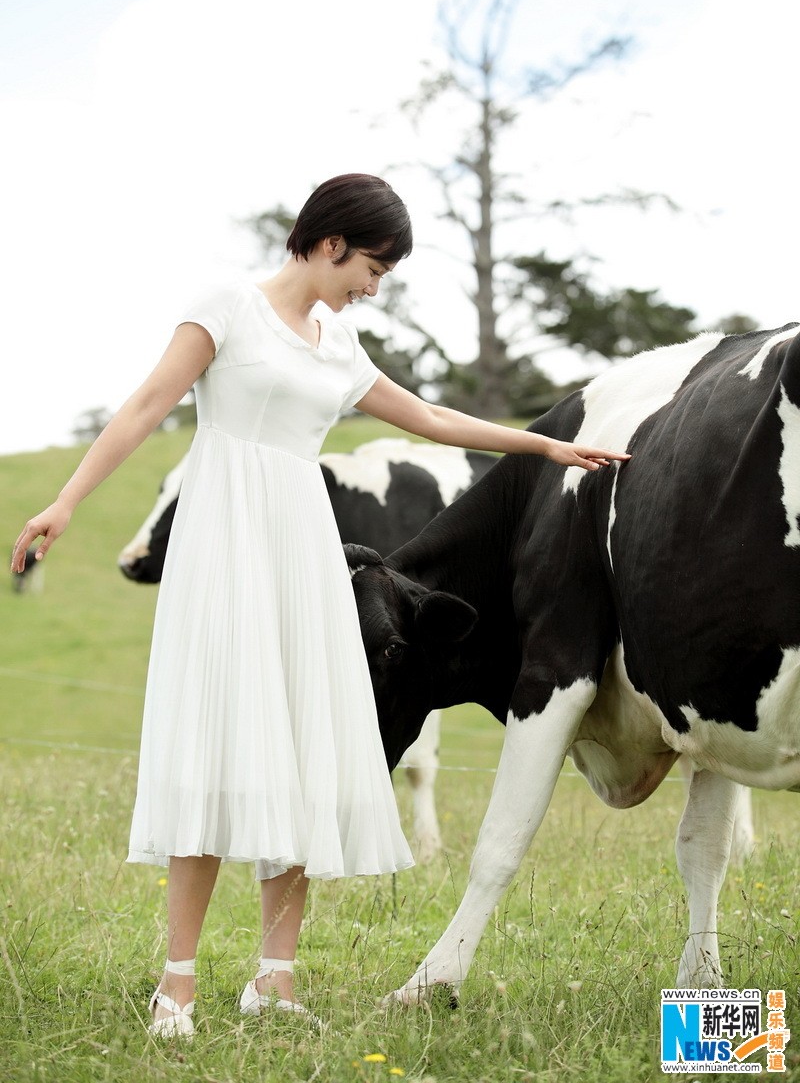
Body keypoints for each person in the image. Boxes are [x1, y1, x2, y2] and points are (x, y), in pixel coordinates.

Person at [11, 174, 630, 1037]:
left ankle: (275, 980)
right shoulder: (227, 305)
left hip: (303, 552)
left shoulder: (336, 343)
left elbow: (425, 415)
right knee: (216, 749)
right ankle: (176, 985)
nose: (372, 288)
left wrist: (542, 443)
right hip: (224, 547)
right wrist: (67, 500)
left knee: (300, 754)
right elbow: (149, 405)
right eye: (371, 268)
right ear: (331, 241)